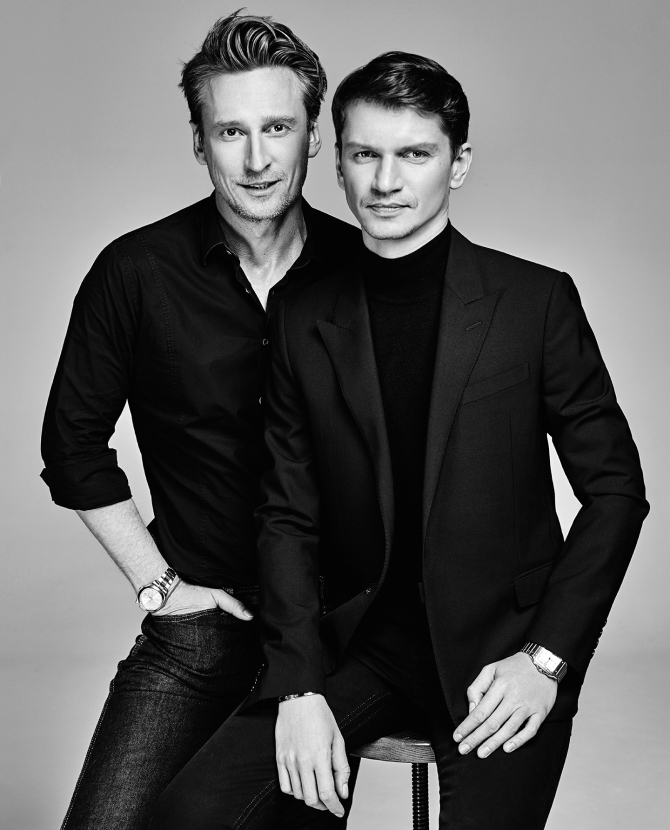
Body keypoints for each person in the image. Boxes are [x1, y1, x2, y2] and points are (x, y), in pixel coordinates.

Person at [149, 52, 649, 830]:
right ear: (338, 164)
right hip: (361, 645)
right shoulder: (302, 315)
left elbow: (616, 492)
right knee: (191, 815)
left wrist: (547, 659)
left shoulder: (534, 301)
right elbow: (288, 514)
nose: (385, 181)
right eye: (365, 155)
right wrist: (298, 685)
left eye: (414, 154)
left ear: (458, 164)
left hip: (503, 649)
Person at [40, 11, 361, 830]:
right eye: (231, 132)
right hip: (197, 629)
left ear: (313, 137)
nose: (256, 159)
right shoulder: (135, 270)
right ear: (199, 142)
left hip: (330, 638)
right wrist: (160, 588)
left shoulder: (367, 275)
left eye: (278, 128)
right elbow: (71, 444)